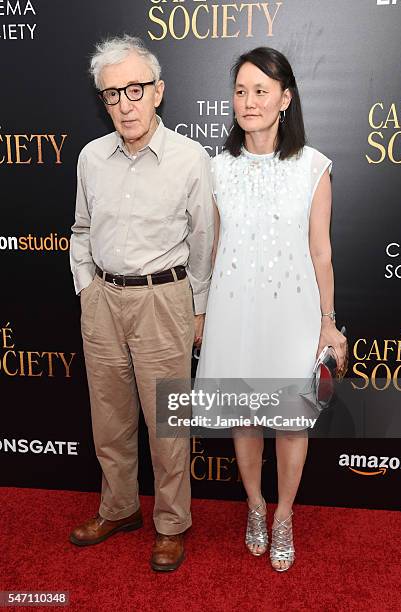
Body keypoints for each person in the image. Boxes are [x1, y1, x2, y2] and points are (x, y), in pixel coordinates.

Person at [196, 47, 347, 571]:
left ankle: (284, 515)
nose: (248, 101)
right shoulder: (216, 169)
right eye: (240, 91)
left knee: (290, 423)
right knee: (244, 418)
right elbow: (213, 251)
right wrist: (201, 313)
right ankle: (254, 507)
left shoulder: (313, 166)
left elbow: (322, 252)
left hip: (294, 313)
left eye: (261, 91)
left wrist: (328, 323)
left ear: (285, 99)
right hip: (234, 309)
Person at [69, 34, 214, 572]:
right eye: (112, 94)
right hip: (101, 299)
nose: (124, 103)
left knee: (168, 424)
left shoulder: (190, 159)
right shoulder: (90, 158)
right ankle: (120, 508)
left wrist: (196, 308)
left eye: (135, 90)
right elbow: (81, 228)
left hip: (163, 300)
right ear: (103, 101)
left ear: (159, 92)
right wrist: (86, 285)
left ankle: (172, 523)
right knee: (109, 418)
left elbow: (204, 241)